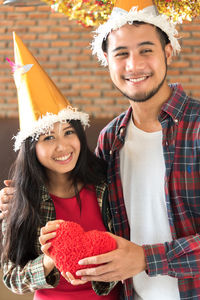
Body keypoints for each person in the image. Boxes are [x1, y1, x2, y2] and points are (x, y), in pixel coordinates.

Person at [1, 1, 200, 299]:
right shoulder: (110, 140)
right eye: (121, 54)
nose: (133, 65)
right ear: (106, 59)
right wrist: (18, 198)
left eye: (146, 49)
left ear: (168, 50)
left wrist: (147, 258)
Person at [0, 32, 120, 300]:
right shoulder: (18, 199)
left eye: (69, 132)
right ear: (32, 148)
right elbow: (11, 278)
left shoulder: (106, 181)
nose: (63, 146)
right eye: (48, 138)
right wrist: (49, 260)